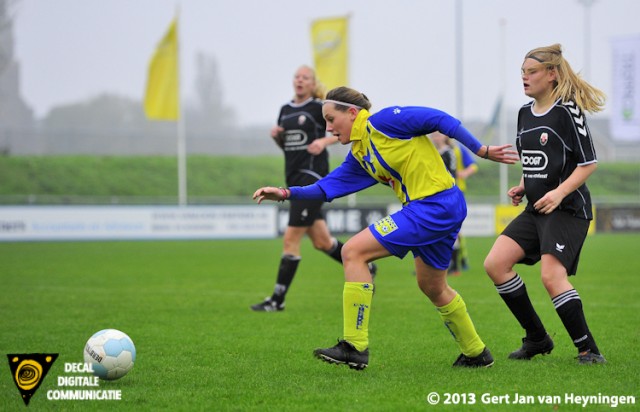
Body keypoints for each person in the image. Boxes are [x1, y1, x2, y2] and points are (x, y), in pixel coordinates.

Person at [253, 86, 519, 369]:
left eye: (331, 119)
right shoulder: (360, 152)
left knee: (353, 252)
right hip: (438, 207)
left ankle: (354, 346)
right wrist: (284, 193)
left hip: (433, 206)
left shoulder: (384, 123)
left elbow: (441, 119)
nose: (328, 127)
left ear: (352, 113)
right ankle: (476, 353)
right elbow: (326, 187)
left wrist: (481, 150)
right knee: (432, 285)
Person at [483, 44, 606, 364]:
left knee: (551, 277)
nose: (524, 78)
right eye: (522, 73)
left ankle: (588, 349)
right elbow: (537, 161)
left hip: (568, 209)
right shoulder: (524, 113)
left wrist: (559, 193)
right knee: (495, 264)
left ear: (552, 74)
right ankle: (537, 339)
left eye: (531, 72)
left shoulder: (568, 112)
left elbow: (588, 163)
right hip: (536, 209)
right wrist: (524, 186)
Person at [250, 66, 376, 312]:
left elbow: (339, 130)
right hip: (293, 176)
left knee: (290, 240)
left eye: (305, 77)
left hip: (312, 179)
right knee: (322, 242)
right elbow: (286, 146)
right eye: (296, 76)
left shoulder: (319, 108)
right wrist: (278, 136)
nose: (299, 80)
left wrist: (323, 140)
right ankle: (368, 267)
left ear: (312, 83)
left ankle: (277, 300)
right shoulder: (285, 110)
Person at [430, 131, 461, 276]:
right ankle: (430, 265)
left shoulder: (449, 152)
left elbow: (453, 174)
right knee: (431, 232)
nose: (436, 137)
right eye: (434, 135)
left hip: (447, 197)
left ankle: (455, 265)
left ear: (445, 137)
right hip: (431, 197)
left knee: (452, 232)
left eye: (438, 135)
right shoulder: (430, 152)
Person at [452, 143, 478, 271]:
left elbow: (473, 165)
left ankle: (462, 258)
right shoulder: (431, 147)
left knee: (455, 229)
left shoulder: (457, 148)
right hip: (436, 193)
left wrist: (464, 173)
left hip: (457, 192)